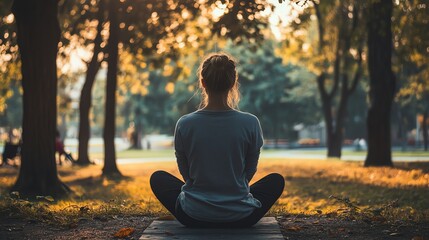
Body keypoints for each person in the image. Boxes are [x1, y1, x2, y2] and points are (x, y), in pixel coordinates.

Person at [150, 53, 284, 228]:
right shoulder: (251, 122)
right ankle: (231, 204)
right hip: (242, 217)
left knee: (158, 178)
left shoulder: (184, 124)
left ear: (203, 83)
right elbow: (249, 172)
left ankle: (204, 205)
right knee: (276, 180)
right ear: (233, 83)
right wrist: (231, 190)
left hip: (193, 216)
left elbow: (187, 174)